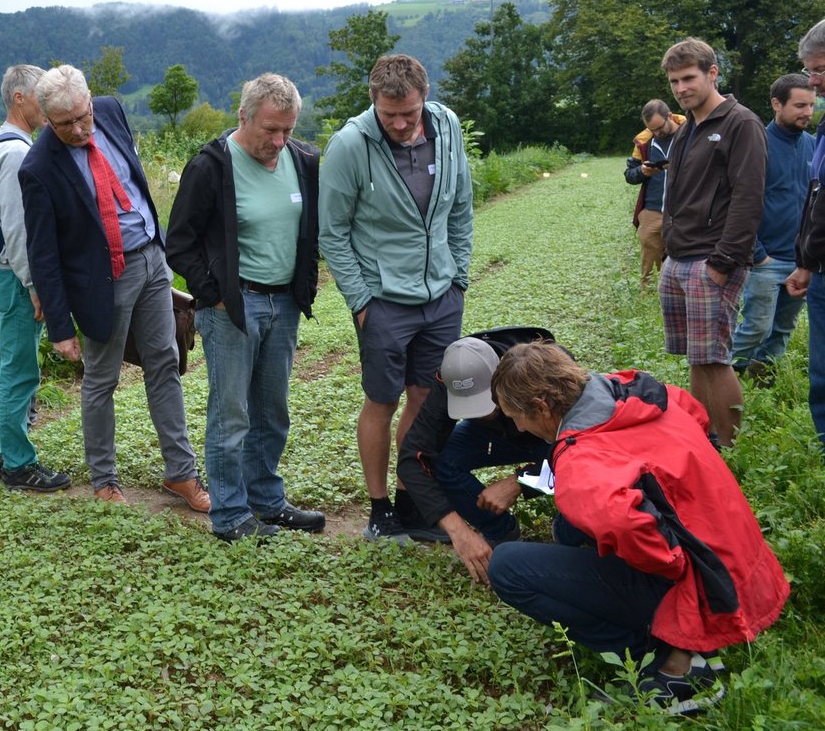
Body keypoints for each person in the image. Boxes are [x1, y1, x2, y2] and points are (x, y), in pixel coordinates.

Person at [486, 342, 789, 716]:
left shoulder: (581, 461)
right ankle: (679, 636)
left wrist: (669, 568)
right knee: (568, 528)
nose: (519, 427)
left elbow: (628, 527)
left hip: (705, 585)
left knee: (507, 567)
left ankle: (673, 663)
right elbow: (696, 414)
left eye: (517, 416)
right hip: (739, 562)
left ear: (542, 407)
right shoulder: (635, 390)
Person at [18, 64, 208, 510]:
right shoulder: (38, 167)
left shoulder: (110, 111)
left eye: (82, 117)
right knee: (102, 380)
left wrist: (159, 248)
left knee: (165, 363)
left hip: (151, 258)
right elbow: (43, 252)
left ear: (91, 102)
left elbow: (133, 179)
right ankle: (104, 481)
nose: (78, 129)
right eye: (64, 124)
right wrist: (60, 327)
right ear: (46, 119)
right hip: (103, 281)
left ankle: (181, 473)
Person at [318, 53, 474, 541]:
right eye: (390, 115)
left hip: (441, 295)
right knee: (382, 400)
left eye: (409, 113)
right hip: (383, 301)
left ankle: (412, 502)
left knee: (426, 401)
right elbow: (332, 233)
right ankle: (380, 508)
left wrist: (459, 278)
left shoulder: (447, 126)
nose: (401, 124)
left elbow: (461, 206)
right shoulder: (349, 145)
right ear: (373, 103)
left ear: (425, 97)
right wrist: (362, 303)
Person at [166, 73, 324, 541]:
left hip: (284, 304)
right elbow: (179, 243)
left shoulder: (303, 161)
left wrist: (304, 284)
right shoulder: (211, 166)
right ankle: (231, 515)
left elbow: (311, 229)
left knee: (272, 411)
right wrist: (213, 293)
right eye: (270, 129)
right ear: (243, 116)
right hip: (232, 307)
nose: (278, 141)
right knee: (231, 414)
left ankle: (267, 502)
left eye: (288, 130)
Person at [0, 65, 69, 492]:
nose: (49, 104)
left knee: (3, 362)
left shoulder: (2, 145)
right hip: (16, 277)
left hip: (4, 275)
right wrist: (34, 285)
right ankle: (19, 464)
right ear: (19, 97)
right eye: (42, 95)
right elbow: (20, 228)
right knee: (21, 372)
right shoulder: (16, 153)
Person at [657, 38, 766, 446]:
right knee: (697, 357)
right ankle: (704, 443)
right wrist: (668, 250)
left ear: (713, 73)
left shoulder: (741, 124)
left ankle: (733, 450)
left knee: (715, 359)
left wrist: (722, 262)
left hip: (712, 258)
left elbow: (748, 198)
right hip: (680, 256)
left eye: (689, 78)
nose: (681, 88)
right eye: (674, 81)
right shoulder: (686, 129)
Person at [395, 328, 554, 580]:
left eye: (486, 402)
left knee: (571, 526)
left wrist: (520, 482)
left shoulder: (544, 369)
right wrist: (459, 531)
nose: (481, 414)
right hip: (497, 437)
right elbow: (411, 459)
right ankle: (502, 532)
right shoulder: (451, 376)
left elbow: (581, 448)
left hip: (553, 440)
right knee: (443, 461)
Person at [730, 73, 814, 379]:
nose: (808, 112)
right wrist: (758, 254)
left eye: (812, 105)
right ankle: (727, 375)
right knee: (757, 326)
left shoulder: (814, 145)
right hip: (766, 259)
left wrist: (810, 256)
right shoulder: (757, 145)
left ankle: (762, 378)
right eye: (800, 105)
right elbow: (739, 202)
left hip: (801, 260)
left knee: (783, 328)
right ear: (777, 104)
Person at [784, 18, 825, 453]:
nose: (813, 81)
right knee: (822, 372)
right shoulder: (824, 129)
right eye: (809, 71)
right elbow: (816, 200)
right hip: (820, 271)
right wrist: (807, 263)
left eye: (820, 69)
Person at [624, 100, 683, 290]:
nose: (657, 133)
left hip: (683, 209)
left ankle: (675, 292)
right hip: (653, 210)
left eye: (659, 128)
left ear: (669, 116)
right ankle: (648, 293)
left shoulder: (690, 132)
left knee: (681, 257)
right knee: (649, 256)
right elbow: (629, 175)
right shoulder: (644, 142)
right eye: (652, 129)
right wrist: (642, 171)